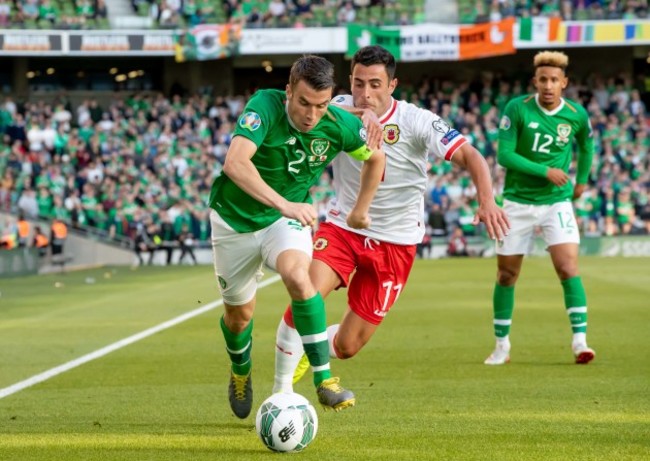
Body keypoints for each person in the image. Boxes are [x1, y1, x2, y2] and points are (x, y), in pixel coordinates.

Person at [272, 45, 510, 396]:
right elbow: (293, 110)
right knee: (307, 292)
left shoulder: (417, 121)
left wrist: (487, 200)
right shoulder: (334, 109)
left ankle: (317, 346)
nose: (365, 94)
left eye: (374, 84)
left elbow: (471, 156)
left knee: (349, 346)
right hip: (343, 227)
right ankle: (281, 394)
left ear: (392, 85)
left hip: (396, 243)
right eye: (357, 83)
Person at [210, 55, 386, 419]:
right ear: (288, 91)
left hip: (282, 222)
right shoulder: (265, 106)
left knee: (298, 277)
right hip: (234, 221)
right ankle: (240, 371)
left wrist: (361, 208)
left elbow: (375, 157)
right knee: (239, 317)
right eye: (303, 103)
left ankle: (323, 379)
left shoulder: (336, 124)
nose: (311, 114)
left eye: (321, 105)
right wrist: (285, 204)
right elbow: (235, 162)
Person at [484, 51, 595, 366]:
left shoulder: (576, 114)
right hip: (517, 203)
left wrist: (582, 180)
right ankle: (502, 346)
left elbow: (587, 144)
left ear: (564, 83)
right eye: (543, 79)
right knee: (507, 274)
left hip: (555, 202)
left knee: (568, 267)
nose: (548, 85)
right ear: (535, 82)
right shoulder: (517, 108)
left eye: (554, 80)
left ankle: (580, 342)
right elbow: (504, 155)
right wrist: (544, 171)